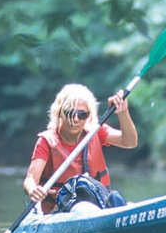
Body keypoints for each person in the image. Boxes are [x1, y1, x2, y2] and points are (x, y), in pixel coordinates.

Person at [22, 83, 138, 214]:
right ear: (59, 113)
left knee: (120, 201)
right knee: (83, 208)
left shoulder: (95, 131)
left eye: (82, 114)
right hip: (59, 210)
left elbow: (130, 142)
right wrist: (33, 190)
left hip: (98, 205)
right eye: (69, 113)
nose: (75, 119)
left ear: (88, 116)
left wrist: (123, 113)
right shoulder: (47, 141)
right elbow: (30, 179)